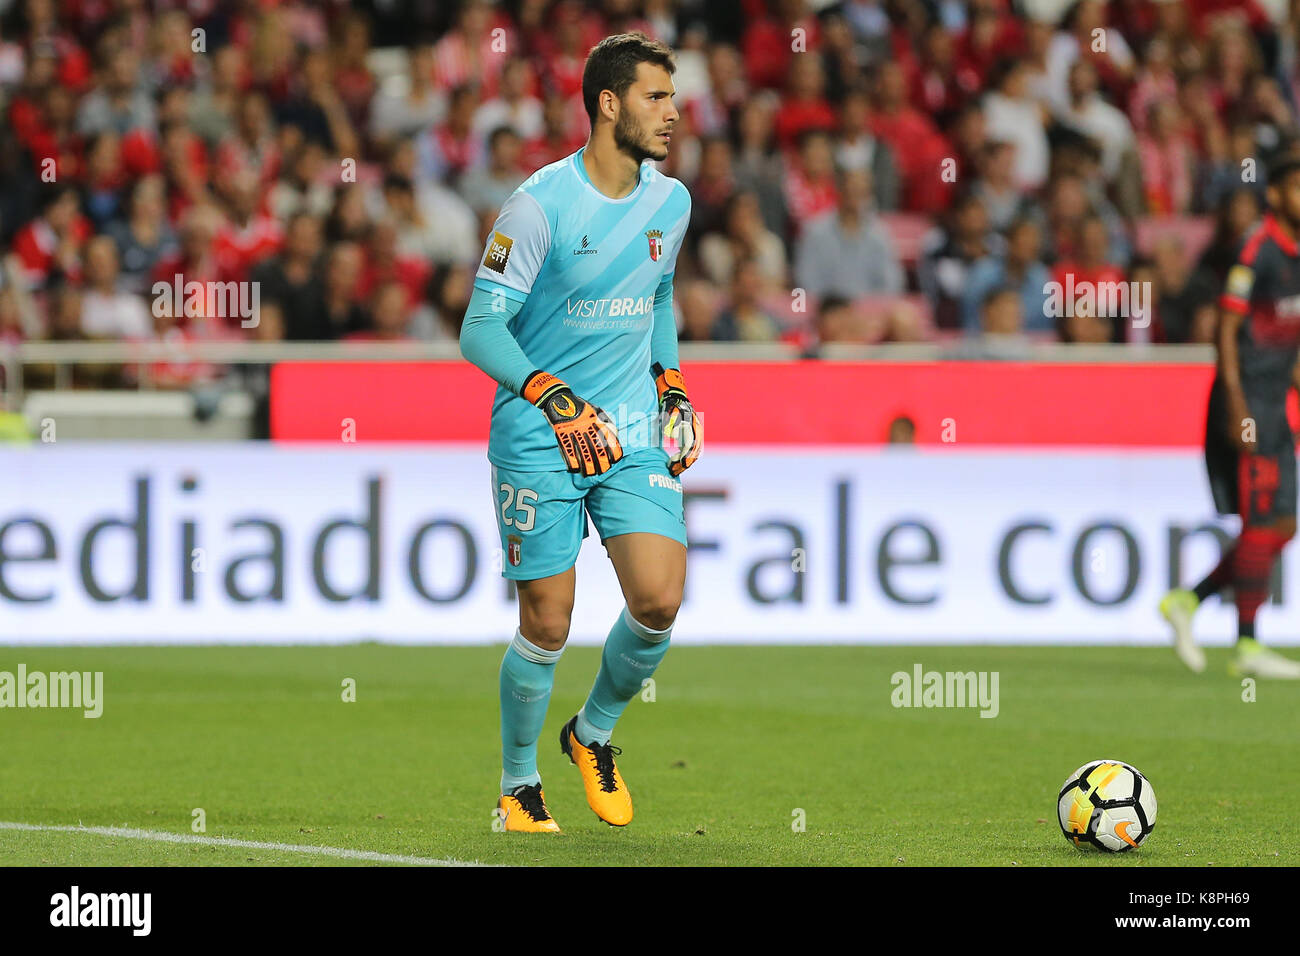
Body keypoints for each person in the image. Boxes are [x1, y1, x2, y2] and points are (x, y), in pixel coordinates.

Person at [459, 33, 702, 832]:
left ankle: (590, 734)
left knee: (660, 599)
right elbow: (481, 329)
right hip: (540, 430)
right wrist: (555, 397)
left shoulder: (672, 202)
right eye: (656, 98)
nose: (673, 113)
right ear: (608, 104)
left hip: (629, 428)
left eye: (672, 97)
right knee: (548, 623)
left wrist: (669, 386)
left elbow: (658, 296)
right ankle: (517, 787)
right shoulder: (539, 205)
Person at [1160, 156, 1300, 679]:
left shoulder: (1295, 256)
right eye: (1296, 187)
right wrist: (1235, 401)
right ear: (1278, 196)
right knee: (1261, 522)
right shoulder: (1257, 248)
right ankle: (1246, 646)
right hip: (1245, 405)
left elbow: (1286, 341)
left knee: (1281, 525)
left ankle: (1189, 602)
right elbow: (1227, 328)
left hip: (1274, 403)